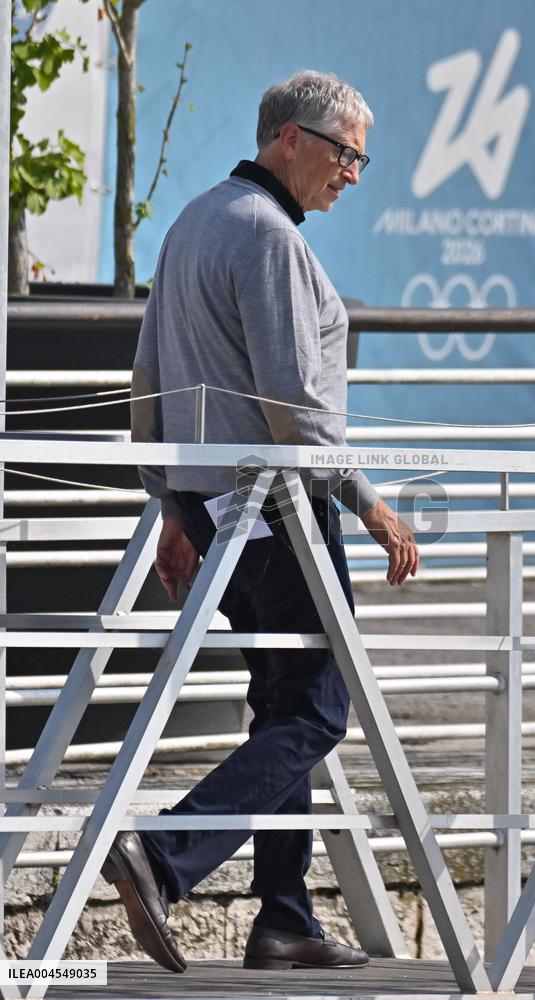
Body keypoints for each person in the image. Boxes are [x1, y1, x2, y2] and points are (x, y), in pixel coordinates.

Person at [101, 69, 419, 973]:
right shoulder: (269, 237)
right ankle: (165, 853)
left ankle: (283, 917)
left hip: (217, 510)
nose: (353, 173)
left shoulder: (197, 219)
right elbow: (295, 410)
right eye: (347, 152)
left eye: (362, 158)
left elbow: (147, 382)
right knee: (319, 710)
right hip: (280, 510)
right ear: (291, 139)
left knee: (280, 704)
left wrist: (173, 504)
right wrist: (369, 501)